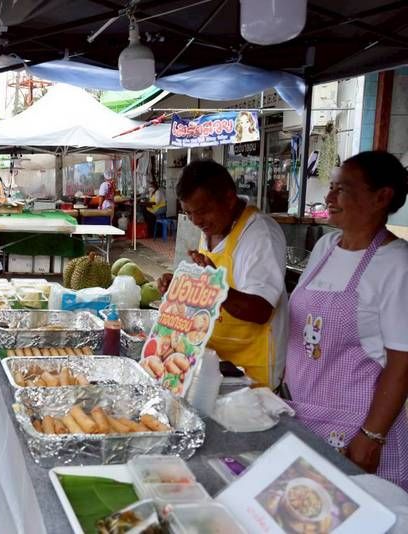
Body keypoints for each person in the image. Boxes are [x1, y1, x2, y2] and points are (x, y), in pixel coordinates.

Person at [284, 151, 408, 488]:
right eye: (331, 187)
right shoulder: (326, 247)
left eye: (342, 189)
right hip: (305, 414)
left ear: (382, 197)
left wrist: (372, 436)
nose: (329, 198)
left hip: (357, 429)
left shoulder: (396, 264)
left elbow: (402, 363)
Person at [157, 160, 287, 388]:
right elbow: (206, 292)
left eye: (202, 211)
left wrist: (215, 286)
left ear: (229, 199)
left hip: (250, 375)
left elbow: (261, 310)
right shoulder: (212, 226)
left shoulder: (259, 234)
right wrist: (180, 287)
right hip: (213, 366)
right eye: (188, 213)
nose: (196, 221)